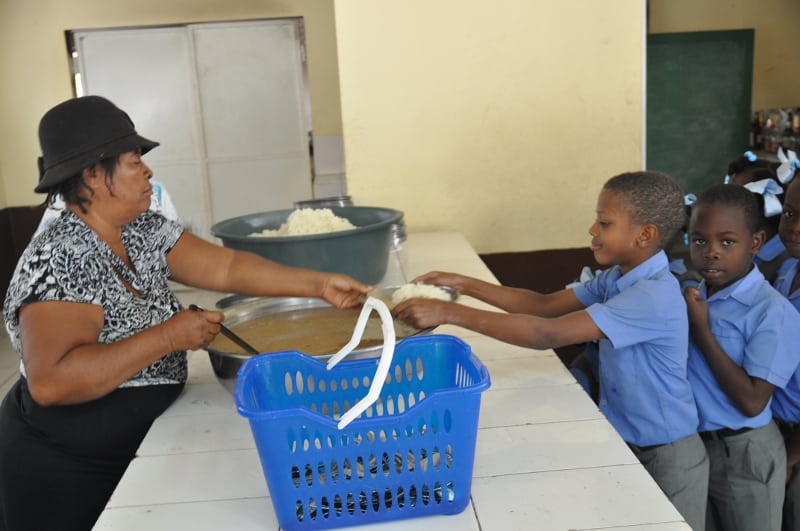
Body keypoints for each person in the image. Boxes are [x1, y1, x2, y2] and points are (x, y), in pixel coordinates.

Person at [0, 95, 372, 531]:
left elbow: (227, 266)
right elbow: (52, 381)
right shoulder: (60, 256)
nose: (147, 171)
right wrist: (169, 337)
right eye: (134, 161)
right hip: (68, 468)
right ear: (93, 175)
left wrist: (319, 284)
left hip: (136, 444)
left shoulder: (141, 229)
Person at [394, 171, 709, 530]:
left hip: (670, 457)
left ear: (645, 234)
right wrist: (464, 284)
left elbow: (547, 333)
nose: (592, 230)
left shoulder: (651, 295)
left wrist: (450, 312)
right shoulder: (618, 278)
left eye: (604, 223)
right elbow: (543, 306)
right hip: (632, 443)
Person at [683, 183, 800, 531]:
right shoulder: (700, 294)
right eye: (699, 240)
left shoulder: (772, 311)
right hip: (701, 447)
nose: (711, 252)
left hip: (745, 450)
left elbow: (752, 401)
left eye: (727, 242)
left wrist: (701, 331)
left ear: (755, 243)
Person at [769, 175, 800, 531]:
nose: (794, 228)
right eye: (789, 214)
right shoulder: (788, 270)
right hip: (775, 426)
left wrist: (790, 457)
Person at [726, 151, 791, 282]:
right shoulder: (744, 246)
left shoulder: (787, 262)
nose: (725, 204)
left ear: (767, 203)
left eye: (735, 197)